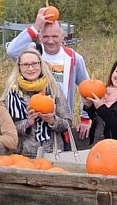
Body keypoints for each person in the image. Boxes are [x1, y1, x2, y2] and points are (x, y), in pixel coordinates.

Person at [6, 7, 90, 139]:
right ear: (40, 37)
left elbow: (87, 88)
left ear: (62, 36)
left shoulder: (73, 58)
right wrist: (35, 27)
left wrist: (85, 118)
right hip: (30, 128)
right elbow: (12, 51)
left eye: (55, 36)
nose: (50, 41)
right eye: (45, 36)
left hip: (60, 125)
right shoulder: (33, 53)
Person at [2, 48, 72, 158]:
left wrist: (52, 120)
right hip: (22, 155)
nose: (30, 68)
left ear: (40, 65)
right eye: (25, 65)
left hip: (53, 153)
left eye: (34, 64)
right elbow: (5, 128)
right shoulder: (11, 92)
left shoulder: (54, 88)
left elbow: (67, 123)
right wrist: (27, 123)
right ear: (19, 67)